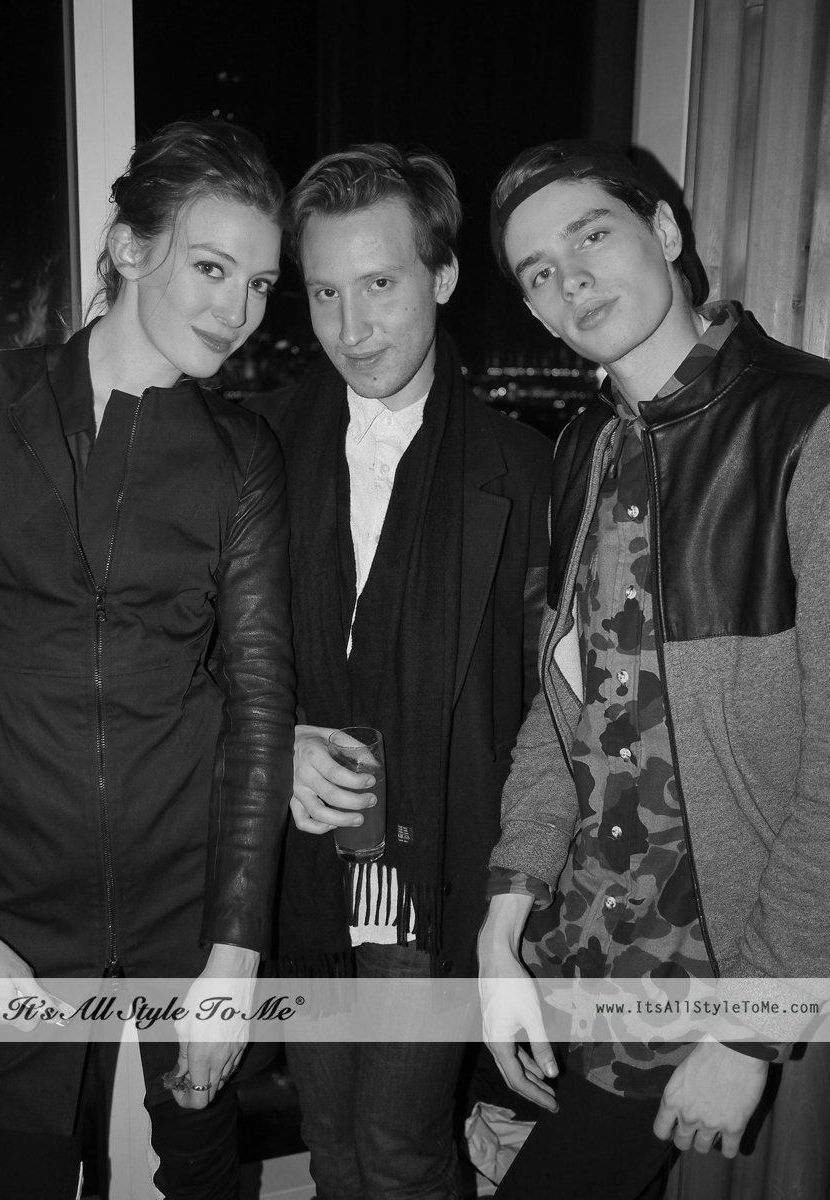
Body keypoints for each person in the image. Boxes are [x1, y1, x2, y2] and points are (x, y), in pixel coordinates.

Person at [0, 117, 295, 1199]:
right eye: (212, 267)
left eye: (260, 284)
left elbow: (260, 703)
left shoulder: (241, 454)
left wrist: (234, 956)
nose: (238, 310)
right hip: (6, 898)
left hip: (188, 893)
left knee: (202, 1172)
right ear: (131, 248)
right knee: (27, 1172)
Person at [478, 137, 830, 1199]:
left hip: (699, 972)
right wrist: (506, 911)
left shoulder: (811, 428)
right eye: (540, 272)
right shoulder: (583, 448)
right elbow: (565, 707)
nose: (572, 280)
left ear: (666, 231)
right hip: (570, 946)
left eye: (592, 235)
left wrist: (753, 1026)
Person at [244, 143, 552, 1198]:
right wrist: (272, 745)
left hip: (436, 864)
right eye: (326, 292)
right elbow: (197, 650)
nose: (352, 326)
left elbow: (547, 708)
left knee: (401, 1149)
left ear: (444, 275)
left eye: (380, 283)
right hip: (302, 871)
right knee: (330, 1142)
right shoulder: (256, 443)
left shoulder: (525, 470)